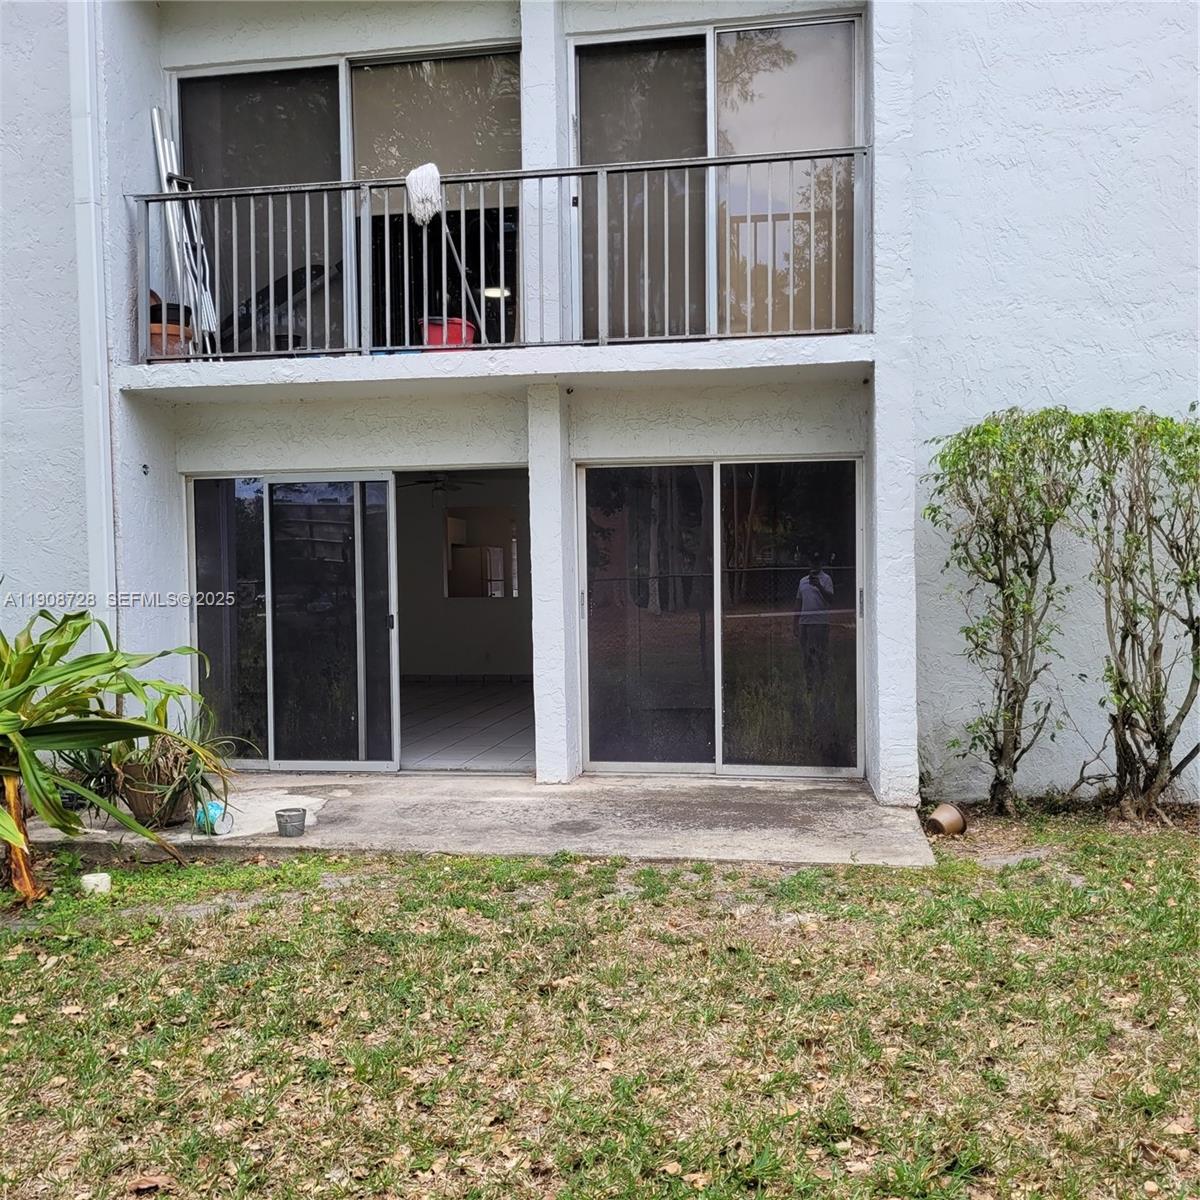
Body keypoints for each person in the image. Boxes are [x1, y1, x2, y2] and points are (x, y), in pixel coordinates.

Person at [794, 553, 835, 677]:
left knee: (820, 653)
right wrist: (795, 622)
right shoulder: (803, 581)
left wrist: (819, 586)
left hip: (819, 622)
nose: (815, 564)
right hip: (804, 623)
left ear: (821, 563)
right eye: (813, 562)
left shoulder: (826, 579)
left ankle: (823, 680)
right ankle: (810, 683)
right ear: (809, 563)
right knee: (806, 655)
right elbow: (798, 602)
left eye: (817, 562)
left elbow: (831, 600)